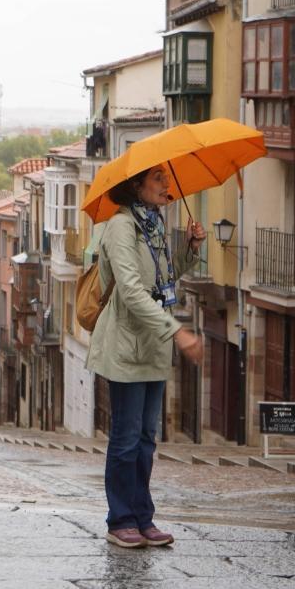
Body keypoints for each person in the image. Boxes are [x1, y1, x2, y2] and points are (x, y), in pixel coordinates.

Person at [87, 165, 204, 549]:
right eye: (157, 179)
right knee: (125, 439)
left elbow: (164, 279)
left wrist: (189, 248)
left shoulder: (152, 225)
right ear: (135, 185)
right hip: (125, 345)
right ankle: (120, 519)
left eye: (165, 179)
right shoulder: (121, 227)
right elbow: (134, 292)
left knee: (145, 439)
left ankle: (142, 517)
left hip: (152, 345)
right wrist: (179, 332)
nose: (166, 185)